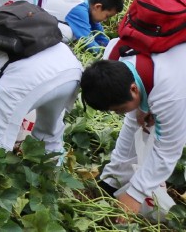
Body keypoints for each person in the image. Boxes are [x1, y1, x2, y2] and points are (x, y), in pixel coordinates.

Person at [0, 19, 83, 158]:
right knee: (49, 132)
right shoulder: (6, 37)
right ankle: (53, 171)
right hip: (71, 71)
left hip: (33, 78)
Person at [80, 41, 186, 215]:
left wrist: (136, 194)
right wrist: (142, 108)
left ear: (134, 89)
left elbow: (168, 150)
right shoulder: (113, 59)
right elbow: (131, 122)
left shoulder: (170, 96)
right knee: (136, 120)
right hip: (173, 65)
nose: (119, 114)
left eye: (119, 109)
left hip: (177, 82)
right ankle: (112, 179)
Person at [43, 0, 123, 55]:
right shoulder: (79, 10)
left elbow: (99, 34)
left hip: (44, 16)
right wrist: (105, 54)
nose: (105, 20)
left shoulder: (88, 3)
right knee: (70, 34)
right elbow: (87, 41)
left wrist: (112, 48)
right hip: (37, 19)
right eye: (107, 16)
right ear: (98, 6)